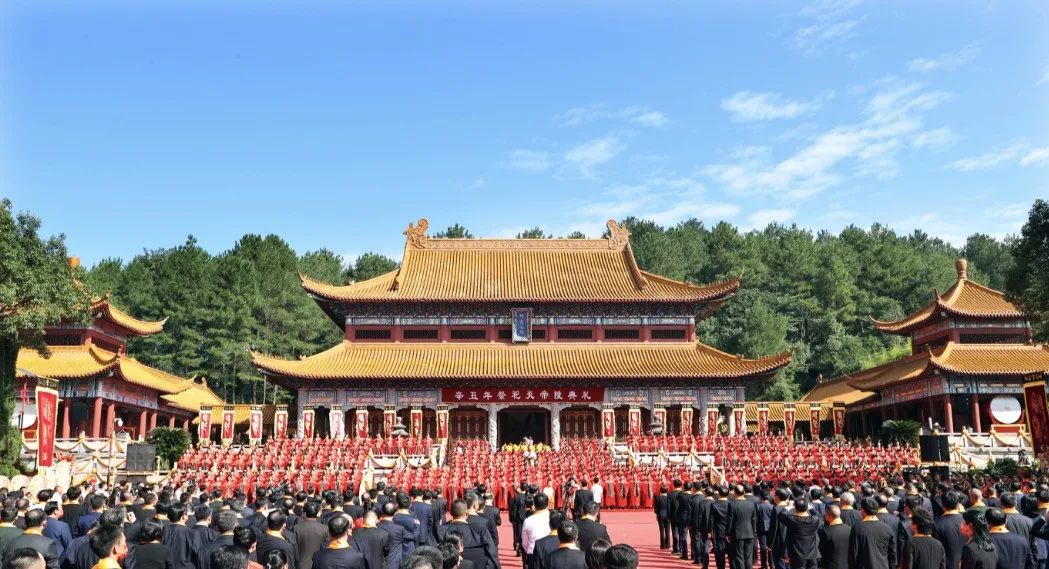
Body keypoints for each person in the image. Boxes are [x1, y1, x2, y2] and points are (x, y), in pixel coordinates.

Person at [436, 500, 498, 569]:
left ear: (451, 513)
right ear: (467, 514)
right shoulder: (479, 529)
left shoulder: (441, 530)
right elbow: (492, 552)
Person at [849, 497, 896, 569]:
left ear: (862, 510)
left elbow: (853, 553)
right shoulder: (887, 528)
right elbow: (892, 554)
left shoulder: (857, 528)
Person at [776, 498, 820, 569]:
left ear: (795, 508)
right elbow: (819, 516)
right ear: (807, 508)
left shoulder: (792, 519)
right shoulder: (814, 519)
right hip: (812, 553)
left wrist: (788, 507)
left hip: (796, 554)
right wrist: (810, 508)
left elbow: (781, 516)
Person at [726, 485, 757, 569]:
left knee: (739, 556)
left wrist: (728, 533)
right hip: (749, 532)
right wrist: (754, 532)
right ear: (743, 492)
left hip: (737, 533)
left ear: (735, 493)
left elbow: (730, 521)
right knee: (748, 557)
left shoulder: (732, 504)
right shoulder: (751, 504)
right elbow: (754, 520)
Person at [161, 505, 201, 569]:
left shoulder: (163, 530)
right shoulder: (192, 533)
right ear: (183, 517)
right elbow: (197, 554)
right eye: (186, 514)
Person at [935, 492, 966, 569]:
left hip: (946, 565)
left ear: (942, 504)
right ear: (958, 503)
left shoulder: (936, 523)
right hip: (966, 563)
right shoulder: (967, 520)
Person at [296, 502, 329, 569]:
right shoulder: (325, 529)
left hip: (301, 564)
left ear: (304, 513)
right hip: (319, 564)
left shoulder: (296, 528)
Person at [377, 503, 409, 569]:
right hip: (394, 563)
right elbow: (410, 536)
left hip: (378, 562)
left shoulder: (376, 526)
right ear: (395, 513)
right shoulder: (399, 529)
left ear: (382, 512)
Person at [819, 504, 851, 569]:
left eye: (825, 514)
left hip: (831, 565)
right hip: (848, 565)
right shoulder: (849, 529)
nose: (824, 515)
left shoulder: (825, 531)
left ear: (830, 516)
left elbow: (821, 549)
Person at [523, 493, 552, 563]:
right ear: (547, 504)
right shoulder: (553, 518)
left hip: (533, 554)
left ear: (534, 505)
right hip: (551, 553)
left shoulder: (528, 521)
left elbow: (524, 542)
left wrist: (530, 550)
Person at [653, 485, 670, 550]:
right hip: (668, 515)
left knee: (661, 531)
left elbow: (656, 507)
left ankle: (662, 545)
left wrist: (657, 514)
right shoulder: (669, 497)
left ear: (660, 490)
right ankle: (668, 545)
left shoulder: (658, 497)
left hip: (660, 515)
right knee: (667, 531)